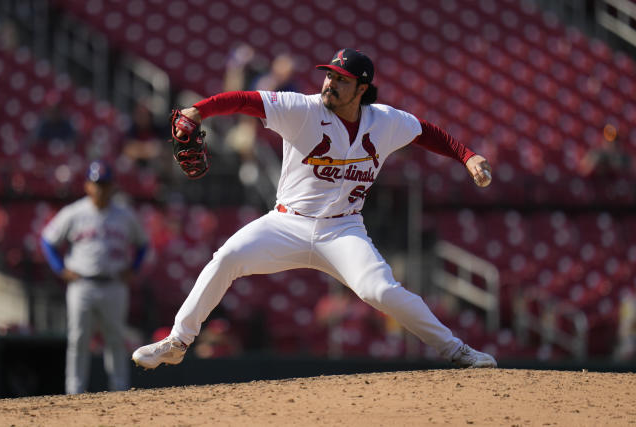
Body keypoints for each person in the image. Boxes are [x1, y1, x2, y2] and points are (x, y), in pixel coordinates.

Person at [132, 48, 497, 369]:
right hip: (286, 224)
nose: (329, 83)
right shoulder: (302, 109)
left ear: (362, 89)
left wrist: (467, 156)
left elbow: (427, 132)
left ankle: (456, 350)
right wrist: (199, 110)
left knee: (381, 292)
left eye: (341, 79)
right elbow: (245, 100)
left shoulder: (384, 121)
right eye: (329, 75)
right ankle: (177, 342)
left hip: (343, 230)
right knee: (226, 257)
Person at [40, 160, 148, 394]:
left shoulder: (124, 214)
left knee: (116, 340)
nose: (100, 188)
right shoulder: (74, 212)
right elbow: (48, 241)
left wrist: (134, 268)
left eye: (105, 183)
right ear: (88, 185)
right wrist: (60, 268)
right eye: (96, 183)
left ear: (112, 187)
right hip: (82, 285)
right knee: (78, 339)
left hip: (114, 284)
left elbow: (143, 244)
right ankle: (74, 392)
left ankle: (119, 390)